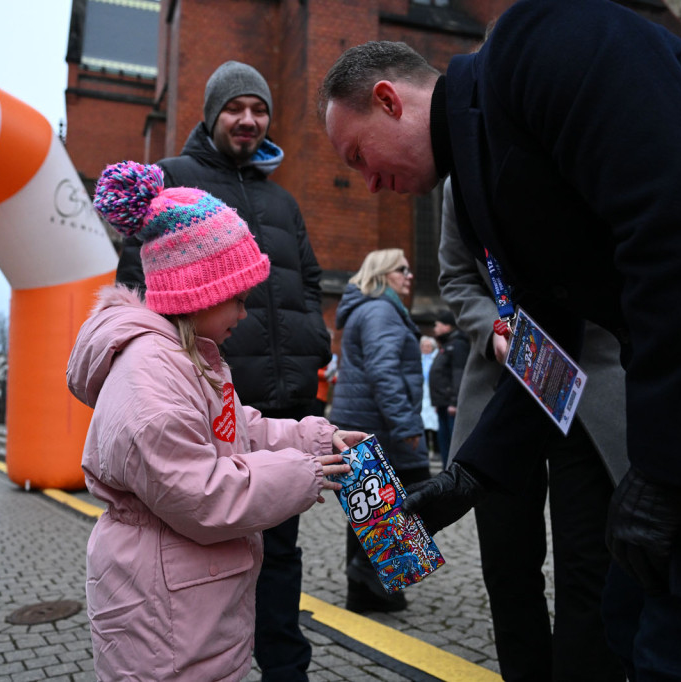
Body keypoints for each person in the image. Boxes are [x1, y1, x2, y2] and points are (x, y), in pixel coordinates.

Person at [319, 2, 681, 677]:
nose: (368, 182)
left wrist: (666, 470)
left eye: (359, 156)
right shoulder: (477, 184)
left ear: (388, 100)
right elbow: (550, 342)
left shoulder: (544, 40)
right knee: (627, 610)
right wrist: (468, 477)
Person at [70, 160, 360, 681]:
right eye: (239, 300)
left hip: (185, 600)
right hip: (165, 616)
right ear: (197, 293)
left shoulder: (186, 358)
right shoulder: (151, 375)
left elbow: (236, 429)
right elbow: (201, 493)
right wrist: (306, 473)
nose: (245, 316)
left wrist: (318, 438)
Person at [116, 60, 333, 680]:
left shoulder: (283, 198)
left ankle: (285, 671)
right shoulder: (174, 179)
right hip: (211, 407)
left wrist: (313, 340)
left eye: (259, 109)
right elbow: (137, 289)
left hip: (285, 403)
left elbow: (311, 279)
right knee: (213, 556)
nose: (248, 119)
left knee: (282, 559)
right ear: (212, 114)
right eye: (235, 107)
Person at [439, 176, 626, 681]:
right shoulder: (463, 181)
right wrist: (495, 332)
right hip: (500, 394)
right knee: (507, 570)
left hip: (589, 392)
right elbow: (457, 278)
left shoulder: (578, 148)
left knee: (587, 569)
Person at [329, 249, 432, 613]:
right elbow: (383, 370)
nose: (409, 276)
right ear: (384, 273)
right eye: (403, 269)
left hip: (365, 424)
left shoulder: (370, 308)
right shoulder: (381, 310)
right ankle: (367, 574)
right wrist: (406, 423)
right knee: (420, 494)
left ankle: (371, 592)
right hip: (381, 428)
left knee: (368, 507)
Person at [427, 310, 468, 468]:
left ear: (447, 326)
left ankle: (452, 473)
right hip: (443, 403)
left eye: (437, 325)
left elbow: (458, 374)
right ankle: (446, 471)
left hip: (451, 405)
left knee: (452, 443)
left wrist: (454, 401)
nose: (435, 329)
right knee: (443, 442)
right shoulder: (447, 344)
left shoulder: (458, 345)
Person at [418, 336, 438, 458]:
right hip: (422, 395)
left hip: (432, 394)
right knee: (423, 422)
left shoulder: (435, 359)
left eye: (428, 346)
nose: (425, 348)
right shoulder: (418, 359)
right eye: (423, 346)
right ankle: (425, 449)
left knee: (434, 424)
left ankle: (436, 450)